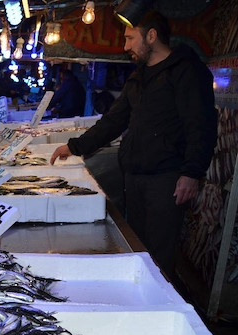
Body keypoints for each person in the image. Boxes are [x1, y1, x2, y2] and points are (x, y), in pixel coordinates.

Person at [50, 10, 217, 278]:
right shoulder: (138, 77)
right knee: (137, 248)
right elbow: (113, 121)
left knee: (160, 256)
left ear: (151, 36)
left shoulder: (186, 72)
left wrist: (192, 173)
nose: (125, 47)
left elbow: (202, 125)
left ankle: (161, 310)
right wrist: (75, 146)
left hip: (167, 180)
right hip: (135, 176)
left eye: (130, 39)